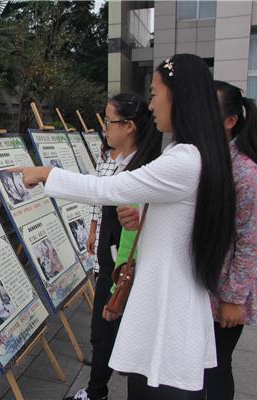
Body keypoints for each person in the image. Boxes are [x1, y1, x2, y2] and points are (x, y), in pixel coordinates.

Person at [12, 54, 236, 398]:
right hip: (168, 300)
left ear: (178, 96)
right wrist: (145, 217)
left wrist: (46, 174)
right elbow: (183, 219)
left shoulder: (185, 159)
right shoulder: (195, 154)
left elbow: (109, 188)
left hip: (167, 308)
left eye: (155, 94)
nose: (152, 105)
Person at [64, 93, 162, 400]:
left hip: (122, 270)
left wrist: (47, 176)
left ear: (129, 126)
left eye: (109, 121)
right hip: (113, 265)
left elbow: (130, 233)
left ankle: (96, 393)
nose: (105, 127)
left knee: (107, 333)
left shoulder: (142, 171)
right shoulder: (122, 162)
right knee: (105, 334)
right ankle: (97, 389)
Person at [203, 81, 257, 400]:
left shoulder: (246, 172)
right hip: (207, 282)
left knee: (216, 366)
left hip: (224, 291)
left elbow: (251, 241)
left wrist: (234, 298)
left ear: (230, 121)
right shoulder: (215, 159)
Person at [87, 138, 119, 275]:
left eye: (108, 126)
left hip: (121, 225)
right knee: (101, 270)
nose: (106, 129)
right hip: (102, 225)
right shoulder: (105, 155)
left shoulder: (137, 156)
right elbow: (96, 194)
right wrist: (92, 231)